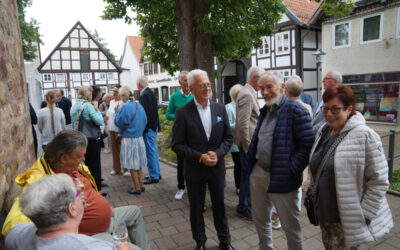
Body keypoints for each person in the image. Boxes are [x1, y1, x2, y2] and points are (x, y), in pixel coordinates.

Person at [2, 130, 149, 250]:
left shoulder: (73, 167)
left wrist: (102, 206)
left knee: (135, 211)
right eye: (79, 156)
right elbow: (16, 222)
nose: (84, 159)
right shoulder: (43, 182)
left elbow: (87, 191)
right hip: (92, 233)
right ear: (64, 157)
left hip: (108, 216)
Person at [309, 85, 393, 249]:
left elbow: (380, 180)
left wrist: (366, 214)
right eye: (326, 108)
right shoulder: (324, 130)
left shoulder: (365, 136)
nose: (329, 114)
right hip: (325, 213)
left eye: (335, 109)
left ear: (349, 109)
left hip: (346, 219)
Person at [247, 71, 314, 250]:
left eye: (270, 86)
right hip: (259, 173)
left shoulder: (296, 110)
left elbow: (307, 146)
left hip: (283, 177)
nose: (265, 92)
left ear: (282, 87)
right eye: (261, 88)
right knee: (261, 220)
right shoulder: (265, 111)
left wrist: (291, 169)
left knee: (290, 226)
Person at [171, 69, 234, 250]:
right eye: (202, 85)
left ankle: (225, 241)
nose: (207, 87)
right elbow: (177, 145)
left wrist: (218, 153)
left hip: (216, 168)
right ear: (191, 88)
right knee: (196, 207)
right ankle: (200, 242)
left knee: (219, 206)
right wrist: (200, 157)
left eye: (208, 84)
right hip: (195, 169)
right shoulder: (183, 113)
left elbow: (228, 138)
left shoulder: (220, 108)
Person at [5, 174, 131, 250]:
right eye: (77, 193)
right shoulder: (93, 247)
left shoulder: (16, 233)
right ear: (72, 209)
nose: (81, 195)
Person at [234, 66, 264, 221]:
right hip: (248, 144)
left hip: (249, 143)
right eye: (261, 80)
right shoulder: (247, 94)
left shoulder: (248, 92)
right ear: (254, 79)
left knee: (249, 176)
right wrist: (247, 146)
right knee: (247, 177)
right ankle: (243, 207)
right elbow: (243, 123)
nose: (263, 84)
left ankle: (248, 203)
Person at [166, 71, 194, 200]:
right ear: (179, 82)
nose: (187, 83)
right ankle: (181, 187)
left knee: (195, 161)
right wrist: (180, 116)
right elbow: (168, 115)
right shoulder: (174, 97)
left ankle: (195, 186)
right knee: (181, 162)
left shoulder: (195, 95)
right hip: (180, 134)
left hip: (194, 134)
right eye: (184, 80)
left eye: (188, 80)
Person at [70, 86, 104, 192]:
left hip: (79, 140)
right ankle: (96, 189)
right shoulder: (88, 106)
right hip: (92, 140)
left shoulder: (74, 106)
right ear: (88, 95)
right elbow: (100, 121)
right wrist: (97, 110)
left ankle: (86, 188)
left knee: (84, 166)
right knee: (94, 165)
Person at [115, 86, 148, 195]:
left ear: (122, 95)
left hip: (129, 139)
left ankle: (136, 187)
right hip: (139, 138)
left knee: (131, 164)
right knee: (138, 164)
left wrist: (116, 113)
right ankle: (141, 185)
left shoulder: (125, 107)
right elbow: (145, 120)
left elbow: (119, 123)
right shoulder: (139, 105)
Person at [285, 75, 313, 192]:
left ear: (288, 91)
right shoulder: (308, 107)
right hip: (303, 146)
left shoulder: (286, 108)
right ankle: (301, 185)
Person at [137, 76, 161, 184]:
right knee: (153, 151)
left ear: (139, 85)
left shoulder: (145, 95)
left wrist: (144, 129)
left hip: (149, 128)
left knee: (150, 152)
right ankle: (156, 173)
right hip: (152, 127)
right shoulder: (149, 93)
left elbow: (146, 114)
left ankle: (154, 176)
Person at [225, 84, 243, 195]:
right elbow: (228, 125)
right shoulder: (229, 107)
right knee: (239, 164)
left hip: (245, 141)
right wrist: (242, 124)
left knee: (244, 164)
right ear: (236, 95)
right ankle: (238, 187)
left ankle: (244, 185)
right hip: (235, 142)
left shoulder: (243, 105)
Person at [106, 85, 125, 175]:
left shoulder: (123, 102)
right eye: (113, 91)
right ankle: (116, 168)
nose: (113, 93)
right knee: (114, 150)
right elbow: (109, 113)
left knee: (123, 149)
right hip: (111, 128)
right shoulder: (111, 102)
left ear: (120, 92)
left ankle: (126, 169)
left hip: (120, 129)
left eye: (115, 91)